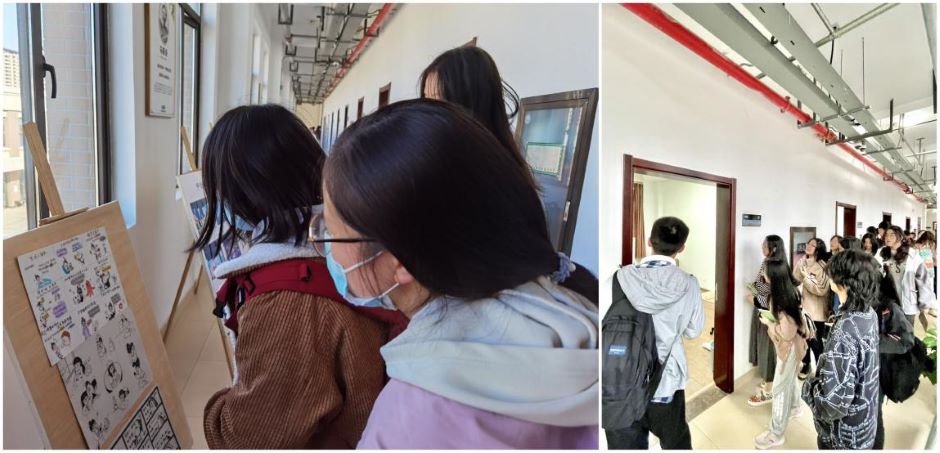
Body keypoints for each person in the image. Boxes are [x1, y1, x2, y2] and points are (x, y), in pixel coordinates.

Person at [315, 100, 598, 448]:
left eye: (331, 233)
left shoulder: (412, 419)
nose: (329, 251)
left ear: (400, 262)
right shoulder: (573, 301)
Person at [195, 104, 391, 448]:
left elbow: (247, 440)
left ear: (247, 192)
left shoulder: (284, 303)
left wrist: (217, 411)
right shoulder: (344, 247)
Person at [419, 45, 598, 303]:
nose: (427, 110)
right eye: (426, 99)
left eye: (439, 99)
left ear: (470, 103)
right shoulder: (455, 161)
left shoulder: (488, 176)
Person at [605, 216, 704, 449]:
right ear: (681, 248)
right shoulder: (689, 284)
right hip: (666, 383)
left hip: (621, 384)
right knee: (676, 444)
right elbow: (693, 331)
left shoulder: (618, 278)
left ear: (649, 241)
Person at [802, 249, 880, 449]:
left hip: (842, 437)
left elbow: (832, 404)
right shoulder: (869, 313)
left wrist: (809, 387)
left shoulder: (845, 330)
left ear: (843, 283)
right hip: (865, 422)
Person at [754, 258, 810, 449]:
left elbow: (787, 333)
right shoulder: (789, 290)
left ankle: (776, 434)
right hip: (795, 345)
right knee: (789, 379)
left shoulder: (780, 299)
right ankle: (795, 407)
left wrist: (769, 323)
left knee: (778, 389)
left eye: (765, 271)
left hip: (788, 348)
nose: (762, 274)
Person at [746, 235, 795, 406]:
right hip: (770, 311)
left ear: (773, 248)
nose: (761, 247)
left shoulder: (772, 266)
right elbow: (762, 287)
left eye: (764, 245)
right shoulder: (779, 264)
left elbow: (768, 293)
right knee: (769, 347)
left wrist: (755, 297)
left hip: (770, 313)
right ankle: (771, 383)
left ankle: (768, 391)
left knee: (768, 347)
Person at [872, 273, 915, 449]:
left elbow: (906, 339)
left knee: (875, 416)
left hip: (880, 373)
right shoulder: (860, 302)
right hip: (865, 371)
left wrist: (873, 341)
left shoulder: (889, 307)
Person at [877, 225, 935, 328]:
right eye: (886, 235)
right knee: (891, 331)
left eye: (892, 235)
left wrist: (925, 304)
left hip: (908, 302)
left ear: (900, 237)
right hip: (890, 302)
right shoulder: (882, 255)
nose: (888, 238)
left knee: (908, 331)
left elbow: (923, 281)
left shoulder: (913, 256)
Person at [793, 238, 830, 380]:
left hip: (816, 312)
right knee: (803, 340)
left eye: (812, 245)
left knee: (815, 342)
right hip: (803, 309)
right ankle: (806, 364)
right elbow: (796, 281)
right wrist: (799, 270)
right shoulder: (802, 262)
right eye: (808, 244)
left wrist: (806, 276)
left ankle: (822, 369)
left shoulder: (823, 266)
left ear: (818, 249)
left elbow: (821, 289)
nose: (808, 246)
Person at [913, 231, 936, 295]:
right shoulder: (929, 245)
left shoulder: (917, 244)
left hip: (921, 266)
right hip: (926, 266)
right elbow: (930, 257)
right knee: (928, 285)